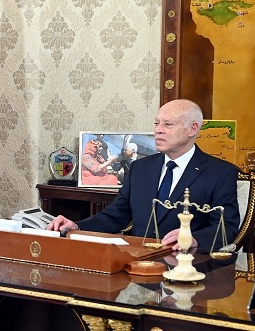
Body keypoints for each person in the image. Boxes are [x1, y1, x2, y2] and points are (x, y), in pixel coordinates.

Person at [49, 99, 240, 251]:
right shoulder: (140, 168)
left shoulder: (221, 173)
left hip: (187, 264)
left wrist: (194, 238)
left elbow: (226, 226)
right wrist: (78, 226)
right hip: (138, 262)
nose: (158, 130)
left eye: (168, 124)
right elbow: (117, 214)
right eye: (157, 123)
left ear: (193, 128)